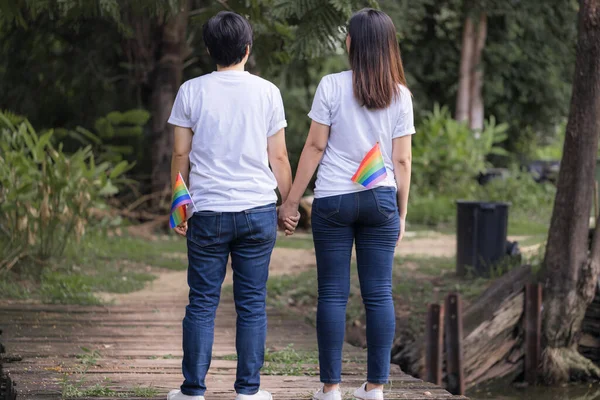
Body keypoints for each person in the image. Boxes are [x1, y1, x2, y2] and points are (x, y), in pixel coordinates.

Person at [279, 8, 414, 400]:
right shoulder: (401, 95)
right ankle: (375, 388)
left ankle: (331, 388)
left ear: (350, 43)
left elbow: (316, 146)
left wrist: (290, 201)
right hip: (380, 200)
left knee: (333, 294)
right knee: (379, 294)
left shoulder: (332, 86)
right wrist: (401, 213)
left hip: (334, 201)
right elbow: (403, 160)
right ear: (389, 46)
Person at [168, 11, 298, 400]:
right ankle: (249, 391)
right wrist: (288, 205)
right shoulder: (267, 92)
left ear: (208, 49)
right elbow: (279, 158)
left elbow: (180, 154)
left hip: (207, 212)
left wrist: (178, 208)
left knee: (202, 302)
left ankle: (192, 391)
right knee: (252, 304)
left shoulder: (191, 90)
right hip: (257, 210)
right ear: (247, 48)